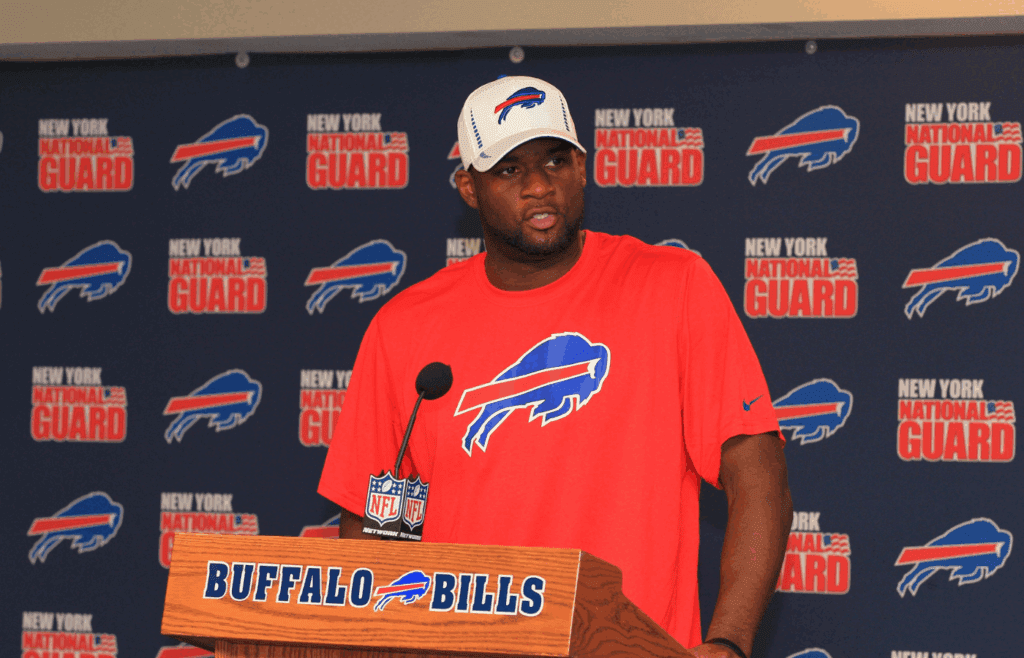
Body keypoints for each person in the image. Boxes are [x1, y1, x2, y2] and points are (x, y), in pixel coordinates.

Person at [318, 76, 792, 658]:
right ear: (469, 187)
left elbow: (758, 474)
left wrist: (728, 643)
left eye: (555, 160)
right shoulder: (404, 326)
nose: (540, 186)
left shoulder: (673, 287)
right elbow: (374, 526)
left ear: (583, 166)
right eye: (509, 170)